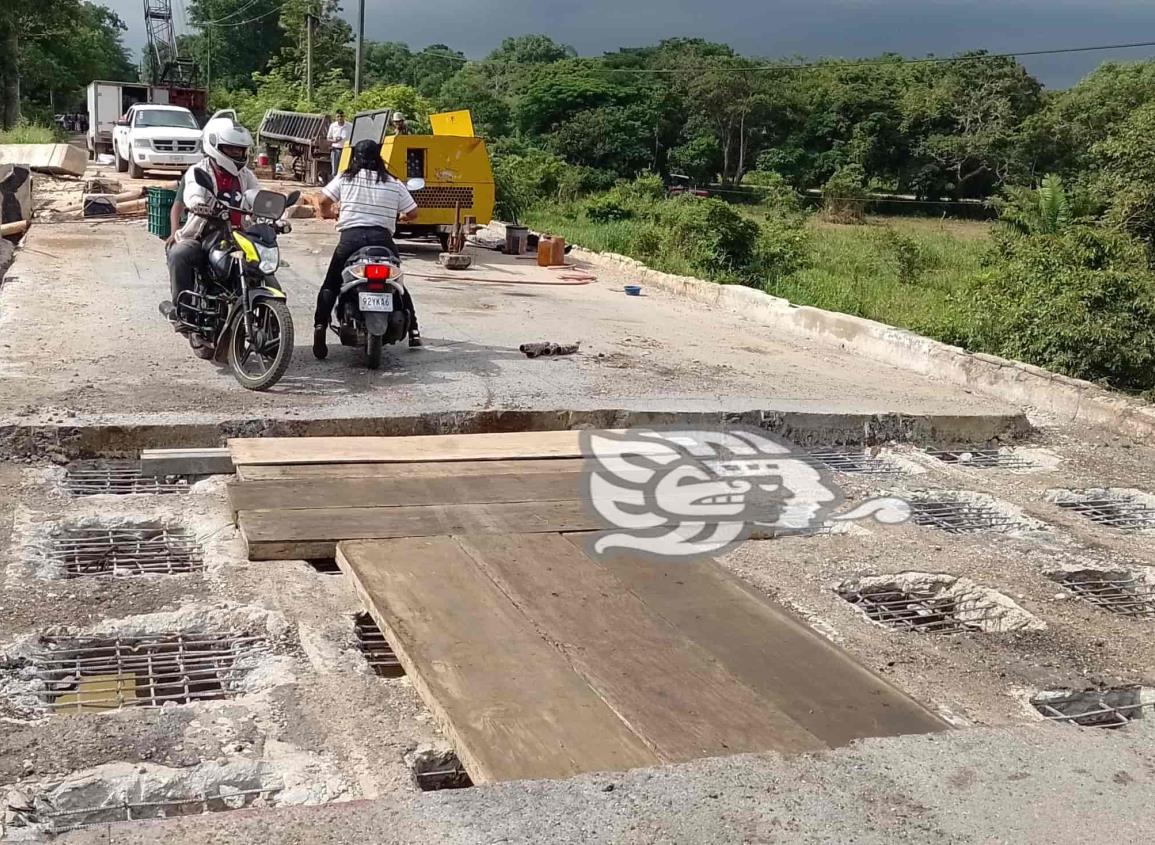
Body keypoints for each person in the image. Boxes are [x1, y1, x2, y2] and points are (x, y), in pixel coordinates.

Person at [311, 138, 421, 358]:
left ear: (355, 158)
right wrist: (400, 216)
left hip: (351, 239)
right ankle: (414, 331)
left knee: (332, 283)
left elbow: (323, 200)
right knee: (397, 282)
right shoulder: (394, 182)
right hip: (382, 240)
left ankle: (320, 327)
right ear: (379, 157)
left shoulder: (345, 178)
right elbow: (414, 212)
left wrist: (328, 214)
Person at [160, 117, 260, 327]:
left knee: (261, 260)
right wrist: (197, 203)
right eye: (231, 150)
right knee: (181, 254)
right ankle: (183, 312)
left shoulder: (245, 175)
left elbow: (256, 195)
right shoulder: (200, 171)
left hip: (238, 235)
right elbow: (192, 193)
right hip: (203, 233)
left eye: (240, 150)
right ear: (215, 146)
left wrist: (270, 209)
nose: (237, 154)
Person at [326, 111, 351, 176]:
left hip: (346, 150)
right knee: (335, 170)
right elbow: (328, 138)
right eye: (338, 116)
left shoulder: (350, 126)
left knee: (345, 169)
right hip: (335, 149)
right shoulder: (333, 125)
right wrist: (334, 140)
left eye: (341, 116)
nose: (340, 118)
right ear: (336, 117)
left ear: (344, 117)